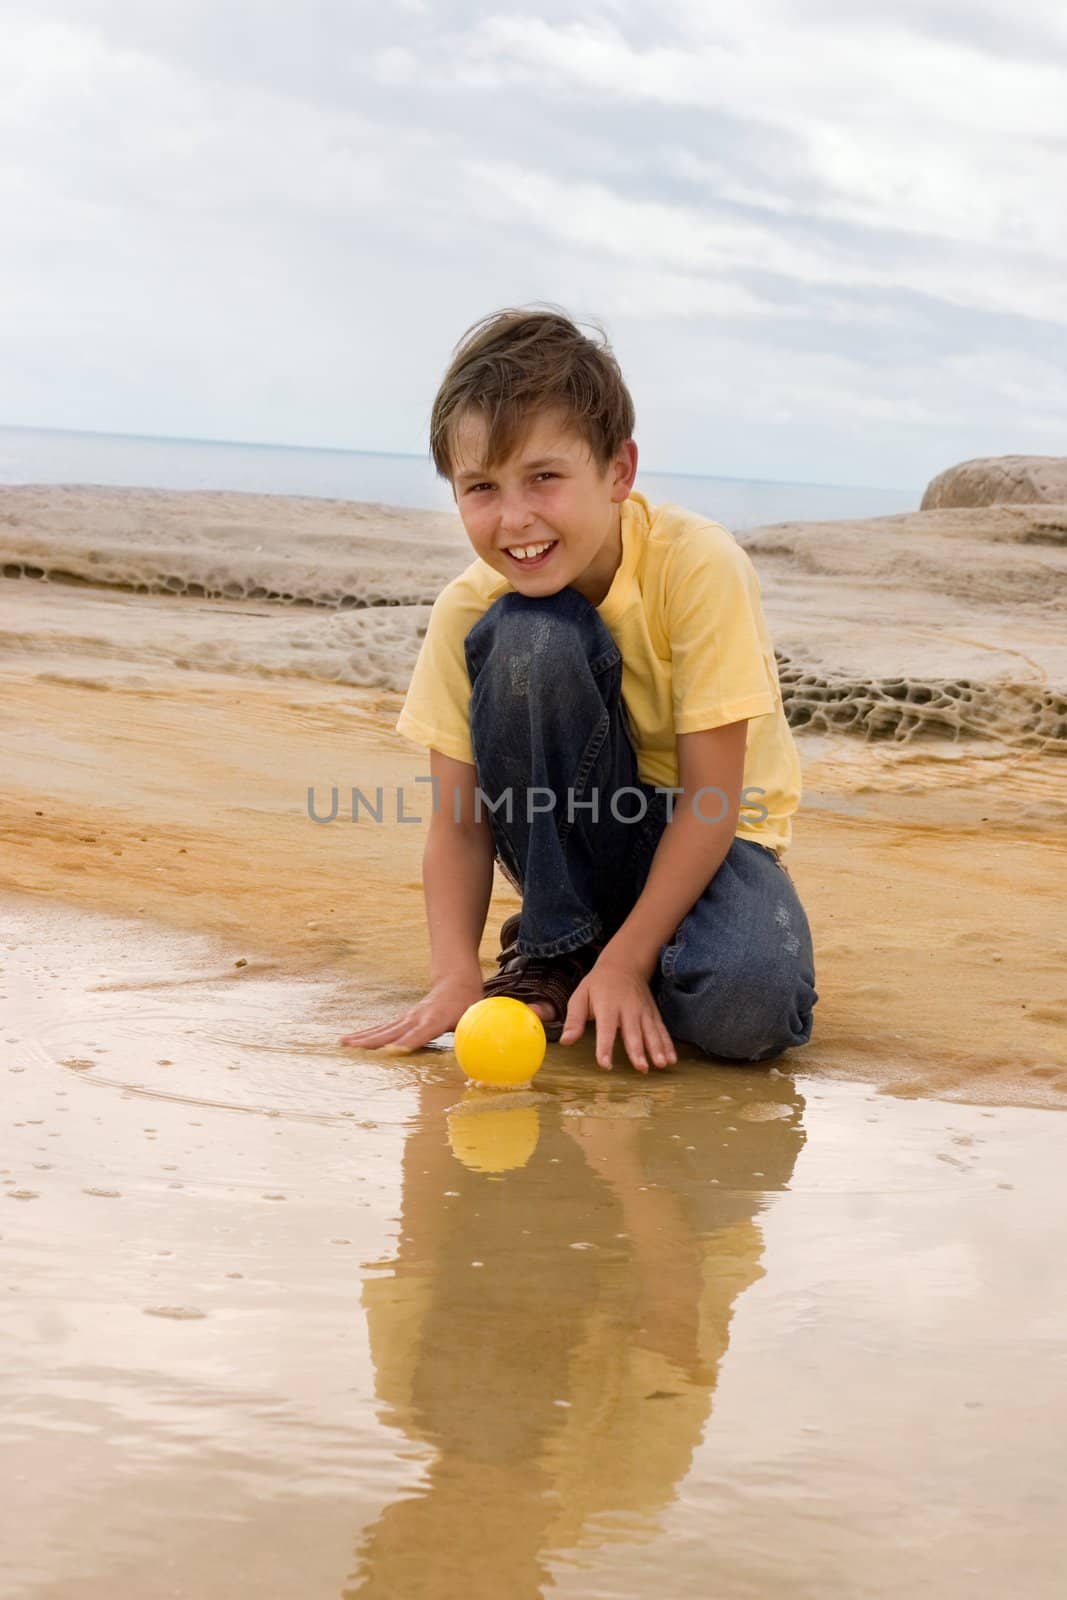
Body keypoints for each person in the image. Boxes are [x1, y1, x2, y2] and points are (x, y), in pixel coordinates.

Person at [340, 305, 817, 1073]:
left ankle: (608, 953)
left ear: (618, 472)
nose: (515, 518)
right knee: (528, 633)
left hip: (712, 835)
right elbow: (460, 822)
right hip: (570, 837)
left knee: (746, 1012)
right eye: (481, 487)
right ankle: (558, 945)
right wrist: (455, 977)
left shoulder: (698, 564)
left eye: (544, 478)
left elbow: (713, 800)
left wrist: (630, 963)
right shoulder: (469, 607)